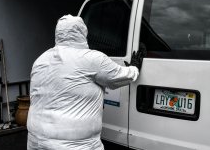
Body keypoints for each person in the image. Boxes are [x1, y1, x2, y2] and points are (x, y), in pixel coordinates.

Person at [27, 15, 144, 150]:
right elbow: (118, 77)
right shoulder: (91, 58)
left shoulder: (40, 60)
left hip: (35, 140)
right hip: (75, 145)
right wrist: (134, 68)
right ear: (83, 33)